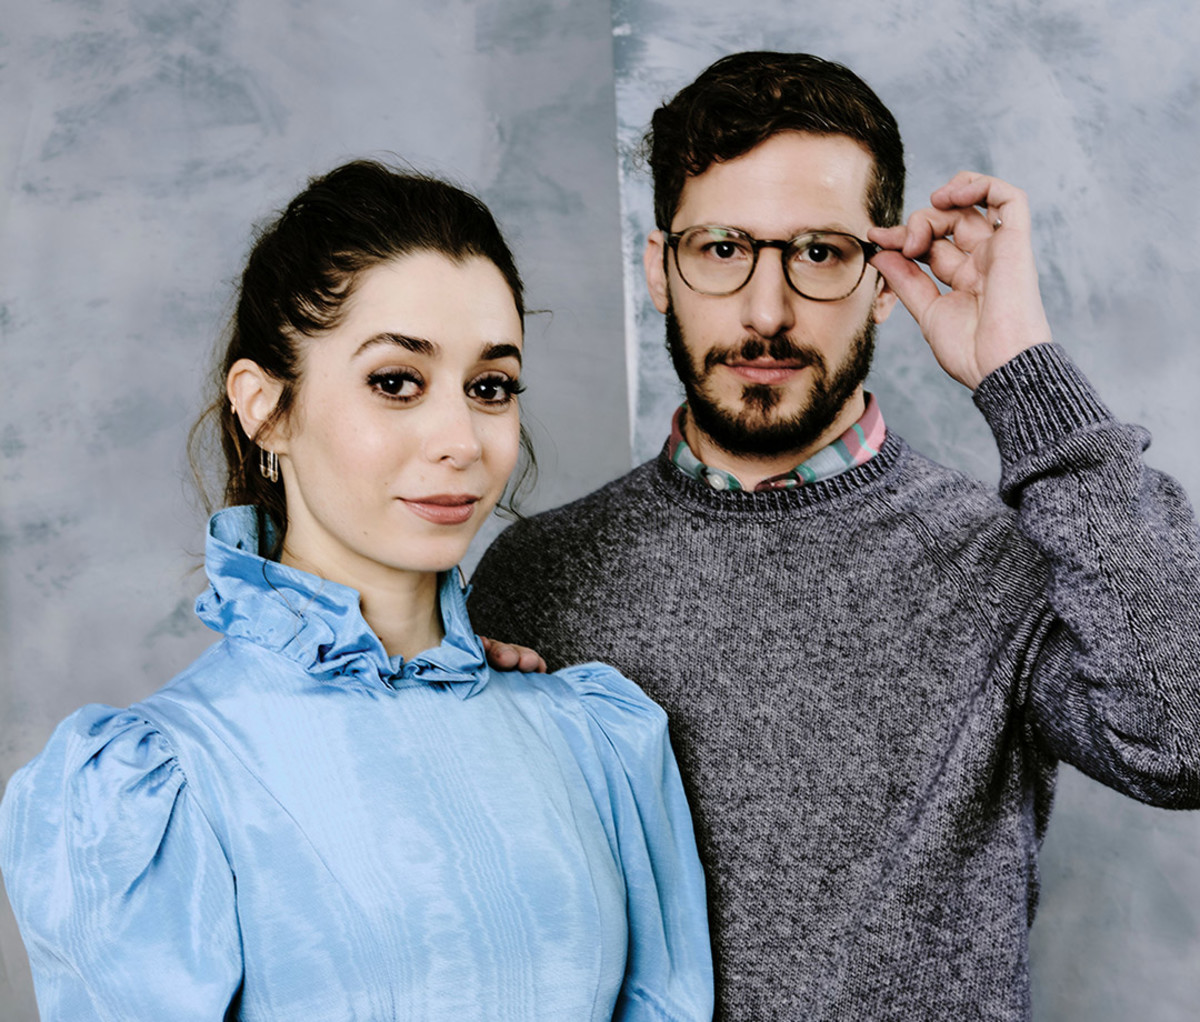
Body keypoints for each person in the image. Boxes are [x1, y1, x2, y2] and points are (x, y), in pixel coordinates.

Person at [467, 51, 1200, 1020]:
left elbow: (1183, 735)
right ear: (658, 268)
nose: (765, 311)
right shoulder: (537, 574)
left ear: (887, 279)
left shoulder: (1010, 557)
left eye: (819, 251)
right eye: (722, 248)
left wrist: (1023, 369)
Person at [0, 160, 712, 1021]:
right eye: (395, 382)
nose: (460, 440)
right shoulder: (150, 785)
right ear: (263, 408)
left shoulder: (593, 736)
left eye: (489, 388)